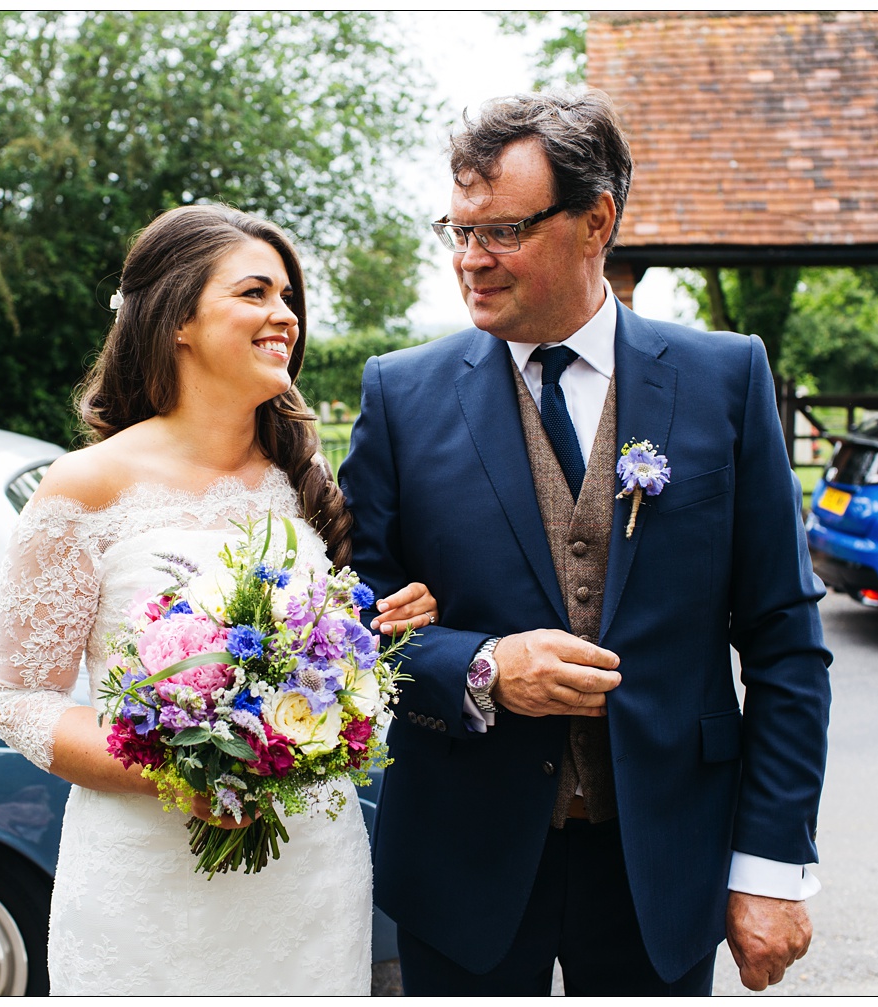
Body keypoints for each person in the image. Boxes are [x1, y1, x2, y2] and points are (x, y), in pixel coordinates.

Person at [339, 89, 831, 996]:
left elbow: (785, 642)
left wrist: (771, 866)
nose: (469, 262)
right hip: (463, 864)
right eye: (457, 231)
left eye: (502, 232)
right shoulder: (399, 396)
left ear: (596, 220)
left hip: (666, 865)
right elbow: (349, 623)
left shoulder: (726, 380)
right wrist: (482, 666)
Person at [0, 203, 438, 995]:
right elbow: (19, 699)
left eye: (289, 297)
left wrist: (389, 630)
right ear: (179, 319)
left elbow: (338, 654)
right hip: (151, 882)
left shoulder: (306, 483)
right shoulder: (88, 485)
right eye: (256, 293)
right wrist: (176, 771)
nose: (284, 316)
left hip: (308, 874)